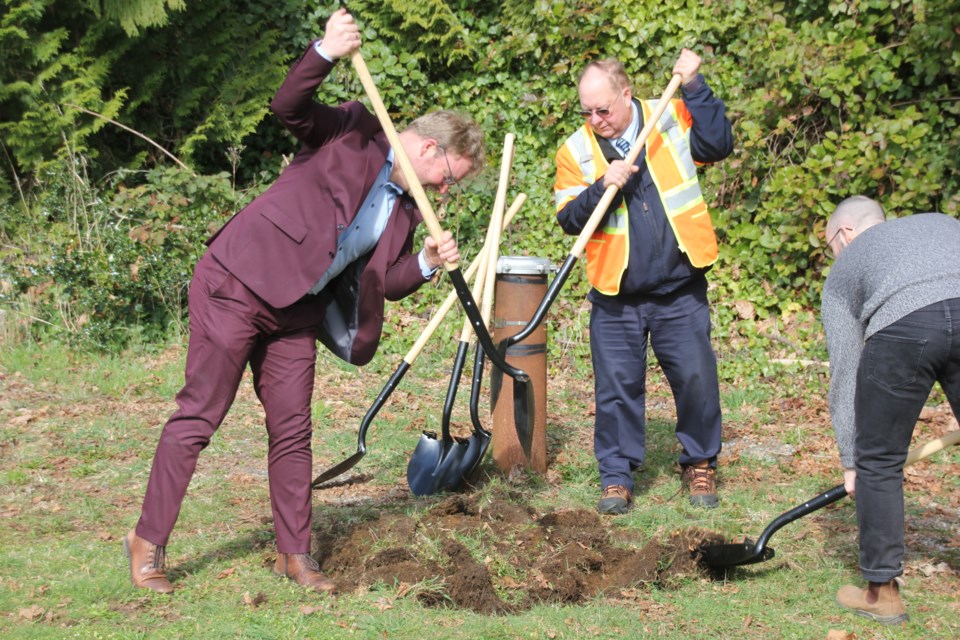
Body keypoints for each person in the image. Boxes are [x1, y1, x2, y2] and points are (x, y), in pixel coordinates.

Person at [123, 8, 484, 594]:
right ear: (425, 146)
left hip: (297, 312)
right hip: (238, 282)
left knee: (292, 430)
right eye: (449, 175)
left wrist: (426, 264)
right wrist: (325, 50)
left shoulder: (410, 207)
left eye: (454, 185)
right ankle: (148, 540)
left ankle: (295, 554)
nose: (447, 189)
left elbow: (382, 280)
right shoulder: (354, 131)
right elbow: (288, 106)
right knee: (199, 416)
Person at [553, 51, 733, 514]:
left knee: (696, 379)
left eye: (604, 110)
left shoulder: (670, 114)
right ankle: (616, 476)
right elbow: (570, 220)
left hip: (680, 286)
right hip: (617, 294)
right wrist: (601, 188)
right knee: (616, 387)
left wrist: (695, 86)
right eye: (587, 112)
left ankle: (699, 462)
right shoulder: (575, 151)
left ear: (626, 95)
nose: (596, 120)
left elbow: (716, 144)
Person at [821, 195, 960, 624]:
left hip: (903, 328)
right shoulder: (942, 221)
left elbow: (846, 367)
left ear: (844, 235)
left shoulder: (847, 263)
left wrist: (852, 460)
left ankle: (882, 594)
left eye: (830, 247)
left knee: (879, 460)